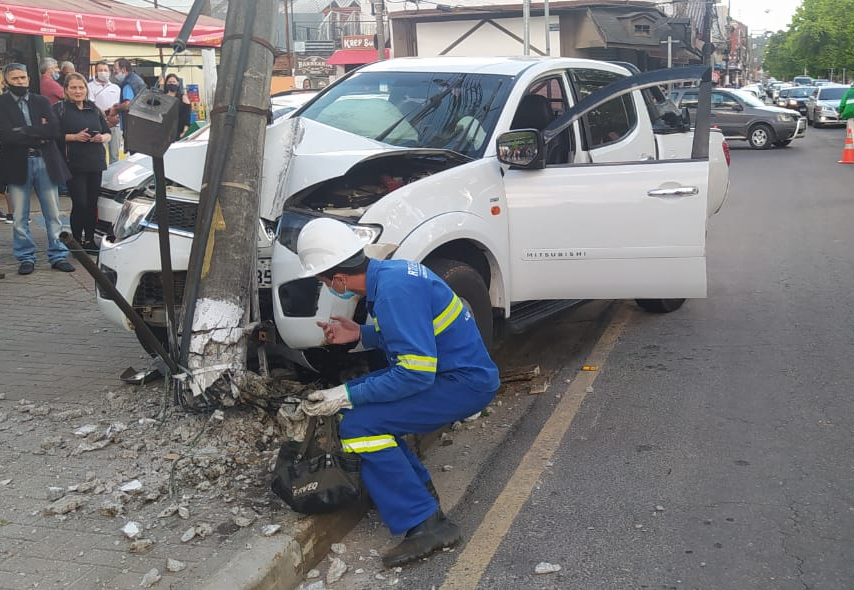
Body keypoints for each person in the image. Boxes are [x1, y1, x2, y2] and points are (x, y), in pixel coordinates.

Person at [295, 218, 500, 568]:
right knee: (360, 413)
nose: (328, 288)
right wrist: (360, 334)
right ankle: (419, 497)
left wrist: (344, 394)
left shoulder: (392, 291)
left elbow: (414, 374)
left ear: (340, 279)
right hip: (455, 375)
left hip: (459, 384)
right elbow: (412, 332)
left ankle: (425, 523)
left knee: (358, 424)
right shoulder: (394, 275)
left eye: (324, 282)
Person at [0, 63, 74, 274]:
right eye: (15, 79)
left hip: (45, 162)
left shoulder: (41, 101)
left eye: (23, 78)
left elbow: (53, 130)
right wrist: (37, 132)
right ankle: (26, 257)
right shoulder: (2, 103)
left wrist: (24, 131)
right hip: (17, 164)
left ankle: (58, 255)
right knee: (20, 216)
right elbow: (6, 135)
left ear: (29, 79)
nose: (20, 82)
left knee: (53, 213)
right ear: (6, 81)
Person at [54, 72, 110, 253]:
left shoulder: (93, 108)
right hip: (73, 163)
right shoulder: (59, 109)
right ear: (66, 90)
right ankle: (76, 242)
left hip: (95, 161)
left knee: (92, 203)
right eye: (73, 88)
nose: (78, 91)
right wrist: (74, 137)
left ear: (86, 89)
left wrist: (102, 137)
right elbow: (53, 135)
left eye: (81, 87)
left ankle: (90, 240)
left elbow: (108, 131)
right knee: (80, 203)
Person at [109, 58, 147, 151]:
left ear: (123, 69)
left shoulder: (128, 84)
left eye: (115, 69)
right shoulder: (138, 80)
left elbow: (127, 104)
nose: (114, 72)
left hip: (131, 127)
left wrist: (116, 108)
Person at [88, 61, 122, 164]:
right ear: (96, 72)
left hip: (115, 125)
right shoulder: (89, 86)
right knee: (100, 155)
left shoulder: (116, 88)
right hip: (99, 125)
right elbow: (91, 105)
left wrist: (114, 119)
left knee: (115, 156)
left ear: (110, 72)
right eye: (100, 70)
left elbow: (120, 105)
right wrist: (106, 118)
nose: (103, 72)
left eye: (105, 70)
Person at [163, 73, 191, 140]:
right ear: (166, 84)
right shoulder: (163, 97)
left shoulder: (183, 97)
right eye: (169, 82)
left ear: (178, 83)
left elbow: (187, 115)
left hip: (178, 130)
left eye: (174, 82)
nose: (172, 84)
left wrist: (184, 131)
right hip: (165, 130)